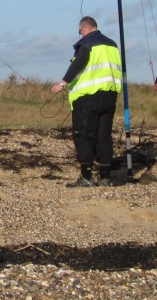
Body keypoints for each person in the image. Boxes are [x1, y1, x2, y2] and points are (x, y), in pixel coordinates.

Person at [51, 16, 123, 187]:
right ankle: (105, 177)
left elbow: (79, 63)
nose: (80, 35)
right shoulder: (112, 45)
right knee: (104, 135)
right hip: (110, 94)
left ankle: (86, 176)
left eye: (79, 32)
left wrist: (63, 83)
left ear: (84, 29)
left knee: (84, 134)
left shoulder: (87, 43)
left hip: (88, 96)